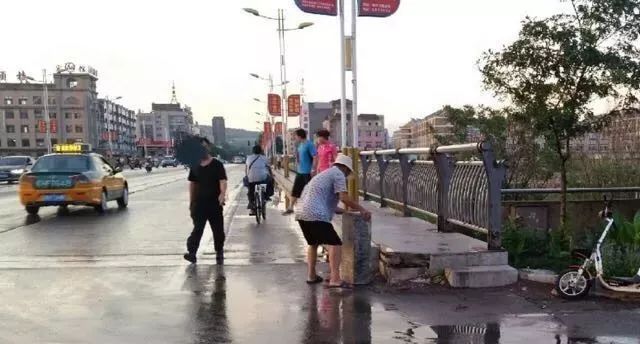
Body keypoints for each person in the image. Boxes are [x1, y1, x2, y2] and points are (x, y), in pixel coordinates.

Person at [295, 154, 371, 289]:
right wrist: (362, 209)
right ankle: (335, 279)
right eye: (348, 173)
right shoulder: (338, 175)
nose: (347, 176)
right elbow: (344, 197)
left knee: (313, 243)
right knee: (335, 243)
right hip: (316, 214)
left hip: (301, 212)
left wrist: (346, 212)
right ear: (346, 169)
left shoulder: (324, 175)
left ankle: (311, 276)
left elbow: (330, 205)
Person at [183, 142, 228, 264]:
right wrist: (191, 201)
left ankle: (219, 252)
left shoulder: (217, 164)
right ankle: (192, 253)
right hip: (199, 203)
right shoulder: (195, 165)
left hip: (214, 202)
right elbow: (193, 184)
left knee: (217, 229)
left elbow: (222, 181)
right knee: (198, 228)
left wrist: (222, 195)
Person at [283, 128, 317, 215]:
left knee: (309, 192)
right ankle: (291, 207)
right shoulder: (300, 145)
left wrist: (313, 169)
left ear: (300, 136)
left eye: (295, 135)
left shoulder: (309, 144)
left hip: (307, 172)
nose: (294, 137)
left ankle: (311, 209)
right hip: (300, 172)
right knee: (295, 190)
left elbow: (315, 157)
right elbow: (299, 157)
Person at [245, 145, 273, 215]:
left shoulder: (249, 158)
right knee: (269, 180)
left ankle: (252, 207)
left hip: (251, 179)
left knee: (250, 191)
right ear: (261, 151)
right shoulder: (264, 158)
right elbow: (269, 168)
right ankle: (266, 196)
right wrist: (271, 175)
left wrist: (247, 175)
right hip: (262, 178)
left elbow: (246, 169)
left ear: (253, 151)